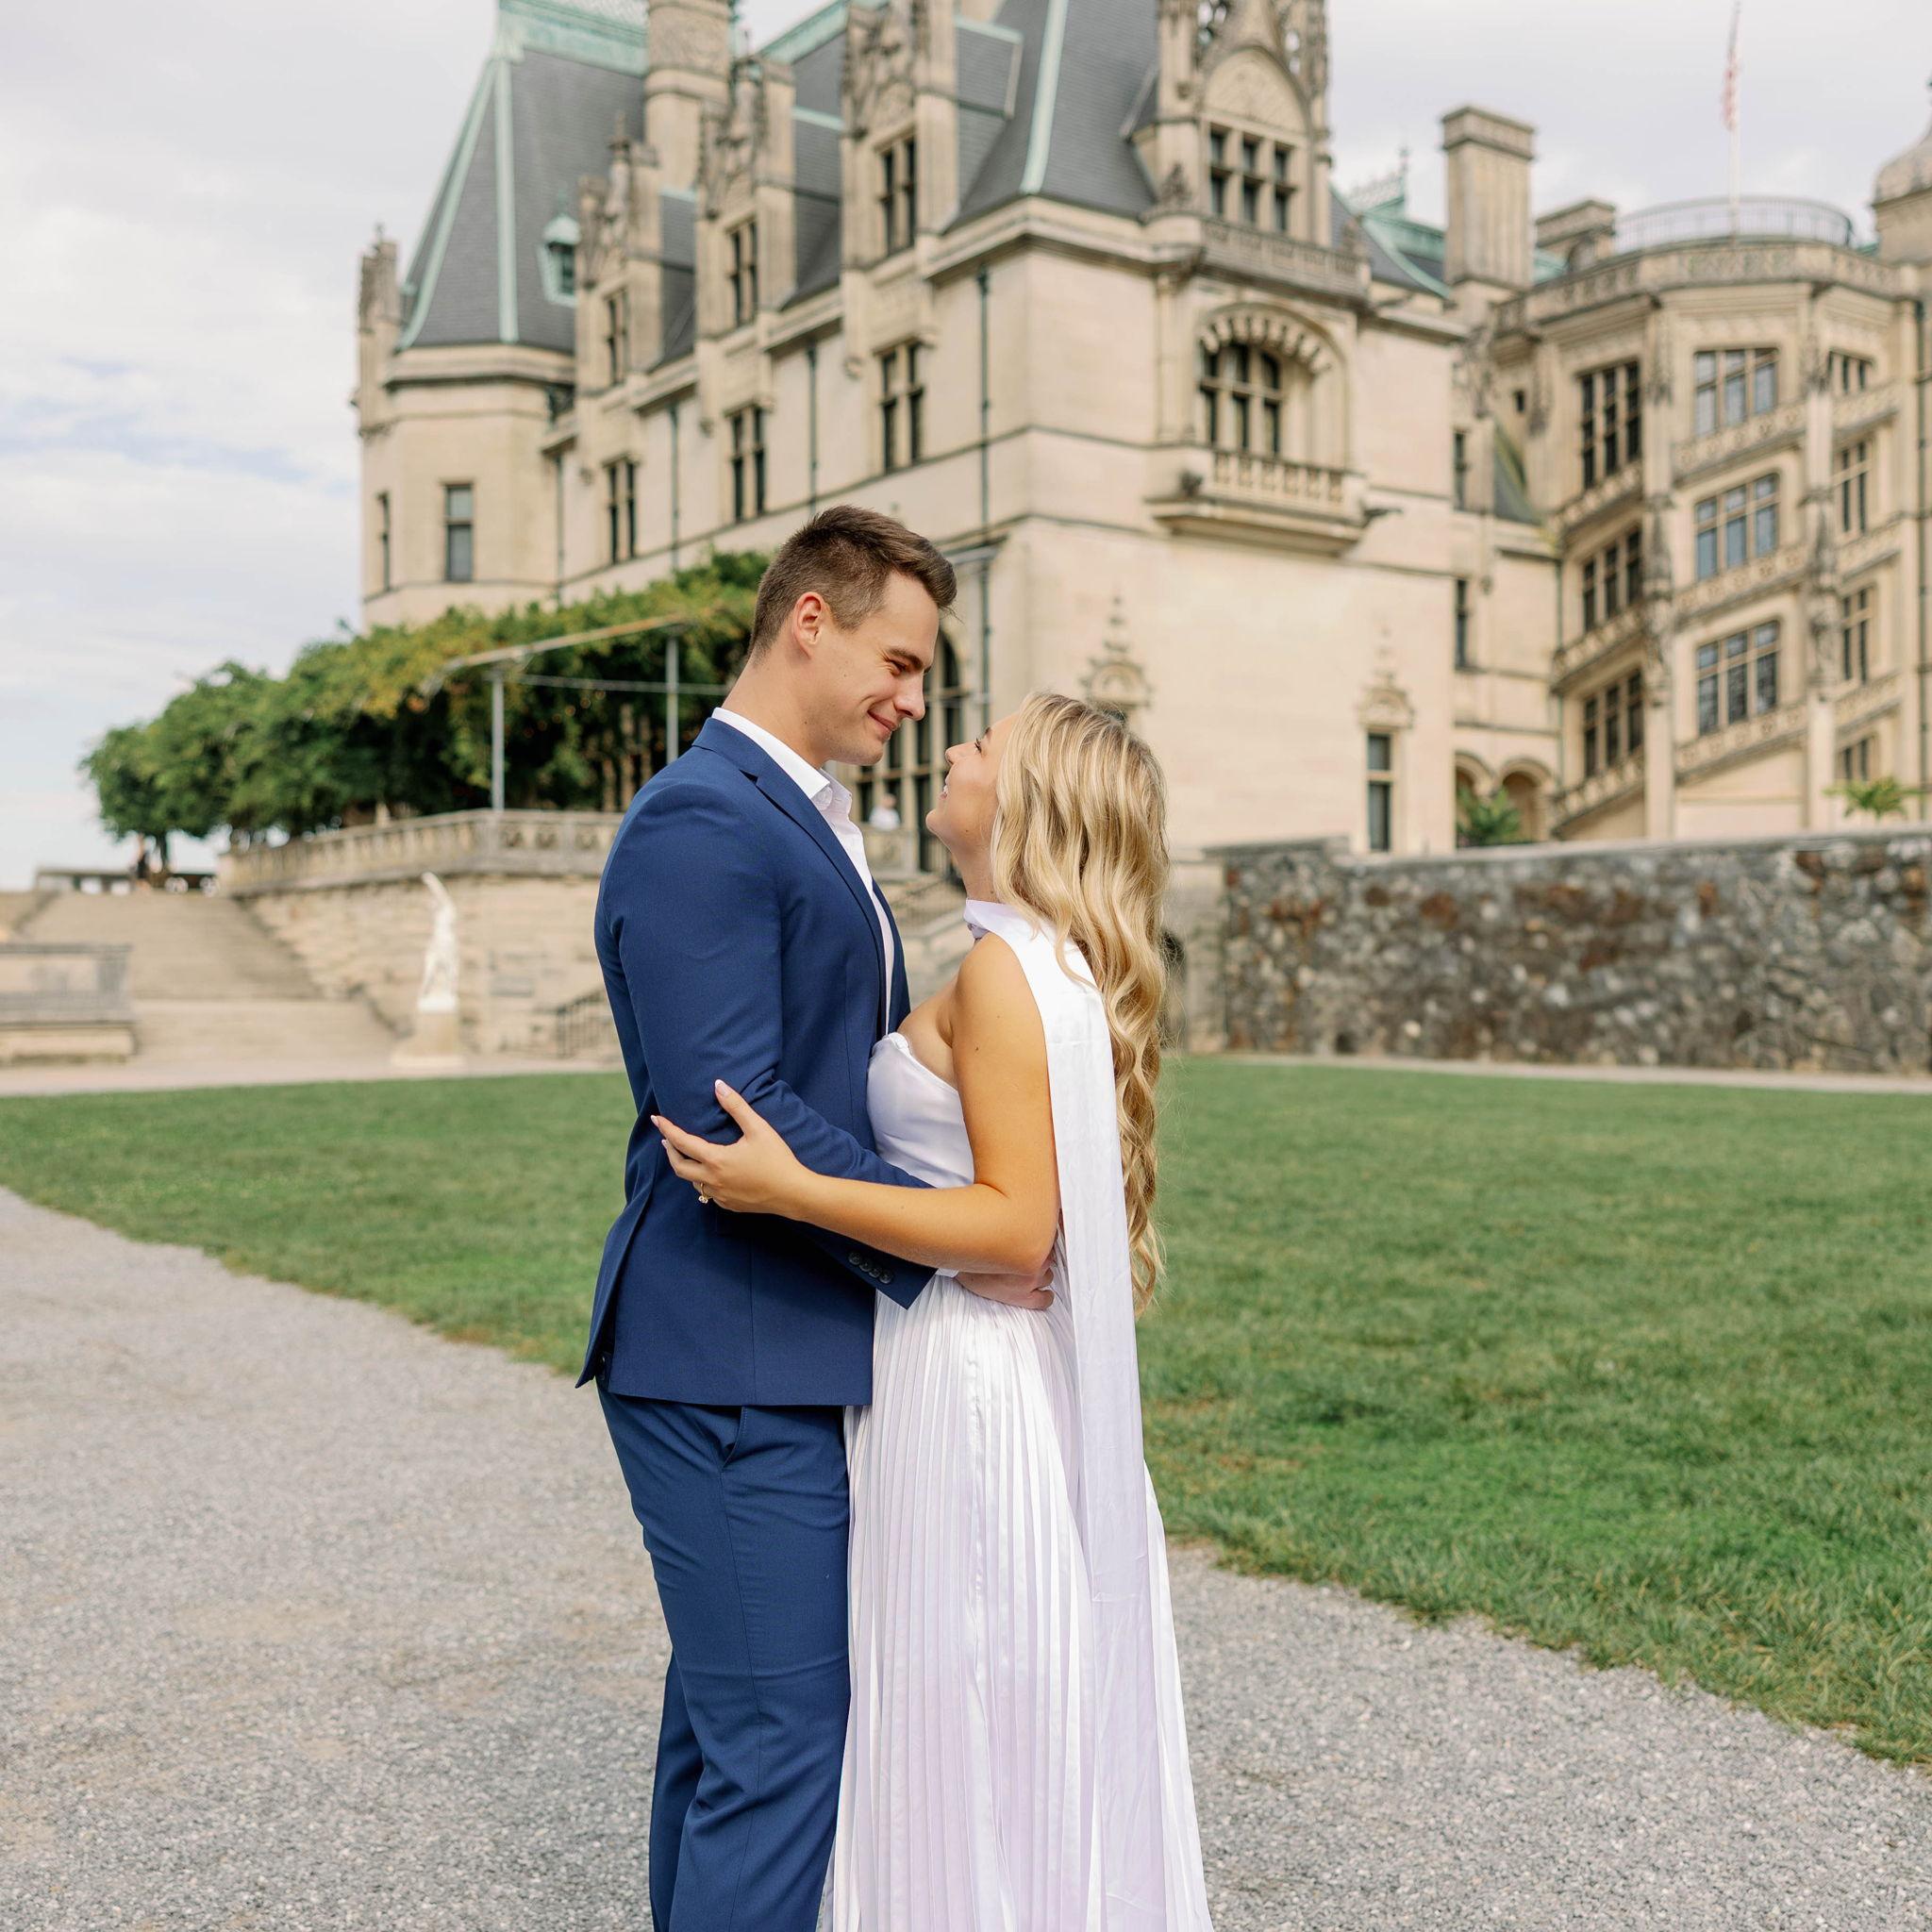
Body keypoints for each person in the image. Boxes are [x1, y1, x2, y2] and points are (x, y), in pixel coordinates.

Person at [656, 691, 1215, 1929]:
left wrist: (793, 1188)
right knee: (988, 1690)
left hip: (962, 1370)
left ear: (1028, 801)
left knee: (960, 1680)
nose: (955, 746)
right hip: (976, 1357)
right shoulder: (1036, 957)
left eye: (986, 744)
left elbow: (1015, 1229)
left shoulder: (1007, 972)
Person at [582, 504, 1054, 1932]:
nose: (911, 701)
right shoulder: (705, 821)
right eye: (897, 663)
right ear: (809, 620)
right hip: (727, 1348)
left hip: (785, 1335)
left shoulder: (798, 813)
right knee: (782, 1747)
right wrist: (956, 1230)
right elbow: (731, 1105)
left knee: (729, 1731)